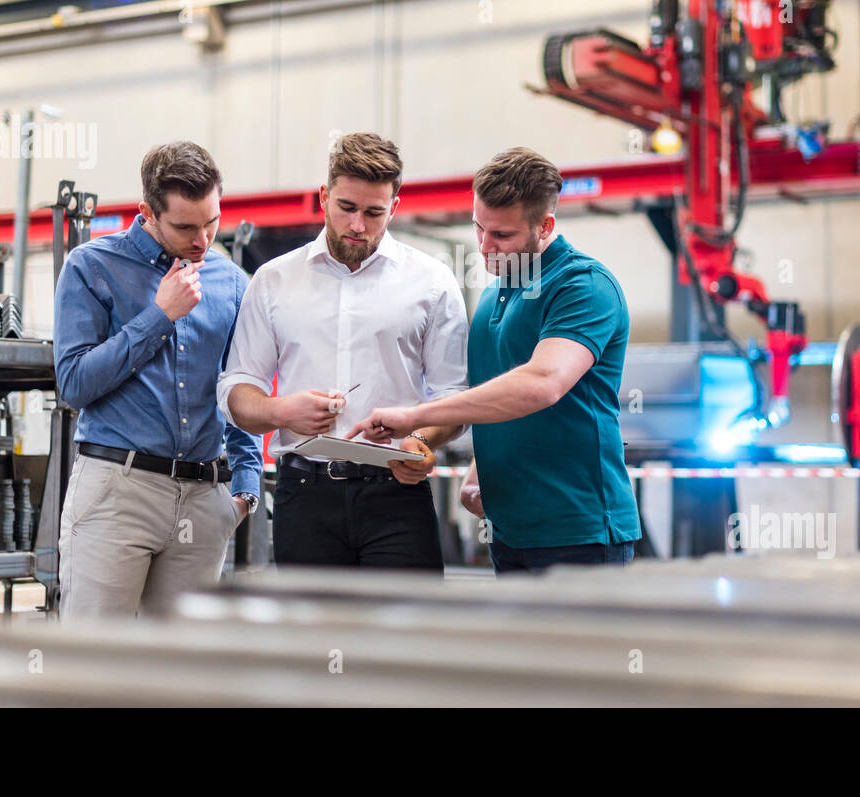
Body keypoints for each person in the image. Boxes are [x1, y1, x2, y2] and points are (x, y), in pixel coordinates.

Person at [349, 147, 641, 574]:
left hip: (580, 534)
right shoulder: (494, 294)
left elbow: (541, 383)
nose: (484, 247)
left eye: (502, 235)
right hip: (509, 531)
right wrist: (479, 464)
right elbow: (497, 396)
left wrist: (415, 416)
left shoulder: (583, 286)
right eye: (478, 228)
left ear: (546, 226)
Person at [217, 132, 468, 571]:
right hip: (304, 495)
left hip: (397, 495)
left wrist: (419, 440)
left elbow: (455, 400)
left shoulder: (432, 281)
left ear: (395, 206)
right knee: (312, 638)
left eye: (374, 213)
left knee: (406, 635)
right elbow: (237, 392)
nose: (358, 226)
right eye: (346, 208)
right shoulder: (273, 281)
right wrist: (282, 412)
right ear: (323, 197)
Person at [54, 141, 262, 618]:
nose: (203, 239)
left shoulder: (232, 283)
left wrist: (245, 489)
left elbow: (240, 387)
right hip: (117, 493)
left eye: (212, 221)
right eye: (185, 226)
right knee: (94, 669)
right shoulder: (92, 267)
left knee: (180, 674)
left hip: (206, 499)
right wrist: (159, 316)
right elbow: (74, 384)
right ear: (146, 212)